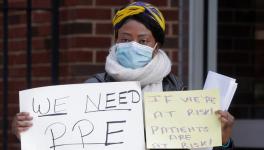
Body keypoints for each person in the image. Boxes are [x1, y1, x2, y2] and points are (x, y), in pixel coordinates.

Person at [12, 1, 235, 149]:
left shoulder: (176, 91)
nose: (133, 45)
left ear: (156, 46)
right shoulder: (93, 88)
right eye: (125, 39)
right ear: (116, 40)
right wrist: (27, 132)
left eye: (143, 41)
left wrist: (223, 139)